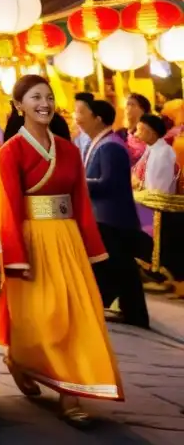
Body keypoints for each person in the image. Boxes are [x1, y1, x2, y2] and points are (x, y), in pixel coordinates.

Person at [0, 75, 123, 428]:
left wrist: (93, 248)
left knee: (81, 313)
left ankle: (72, 393)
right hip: (32, 240)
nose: (45, 104)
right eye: (36, 97)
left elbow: (80, 201)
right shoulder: (11, 151)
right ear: (19, 105)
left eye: (49, 97)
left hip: (67, 241)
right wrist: (15, 254)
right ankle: (18, 358)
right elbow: (7, 205)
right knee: (41, 316)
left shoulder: (67, 149)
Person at [75, 96, 149, 329]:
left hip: (113, 218)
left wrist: (79, 182)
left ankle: (129, 312)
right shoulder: (100, 142)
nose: (78, 118)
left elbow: (110, 183)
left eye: (81, 113)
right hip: (106, 217)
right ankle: (132, 312)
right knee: (122, 268)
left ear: (97, 119)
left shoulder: (111, 146)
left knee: (119, 266)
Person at [133, 113, 184, 284]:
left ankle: (151, 266)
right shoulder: (152, 149)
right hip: (146, 198)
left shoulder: (163, 153)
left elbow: (157, 191)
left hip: (158, 205)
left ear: (152, 133)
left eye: (141, 131)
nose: (136, 134)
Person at [119, 93, 151, 166]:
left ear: (143, 110)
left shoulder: (149, 133)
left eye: (132, 105)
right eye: (127, 104)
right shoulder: (121, 133)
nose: (128, 108)